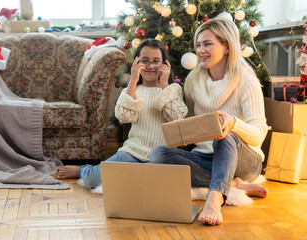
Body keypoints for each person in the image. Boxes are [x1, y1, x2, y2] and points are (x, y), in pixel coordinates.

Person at [150, 18, 268, 226]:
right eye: (198, 45)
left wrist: (233, 123)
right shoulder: (193, 80)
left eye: (207, 44)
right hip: (206, 159)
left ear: (227, 47)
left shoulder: (246, 80)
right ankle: (231, 184)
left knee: (224, 135)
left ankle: (215, 197)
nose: (200, 50)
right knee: (158, 154)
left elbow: (259, 134)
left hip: (244, 159)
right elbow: (189, 124)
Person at [57, 39, 188, 188]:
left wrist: (164, 84)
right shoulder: (131, 91)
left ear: (165, 64)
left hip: (162, 156)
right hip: (132, 152)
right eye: (145, 61)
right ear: (136, 63)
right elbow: (123, 117)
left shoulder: (173, 89)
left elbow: (177, 116)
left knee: (152, 187)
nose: (150, 66)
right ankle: (84, 170)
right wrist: (133, 80)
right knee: (93, 180)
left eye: (156, 61)